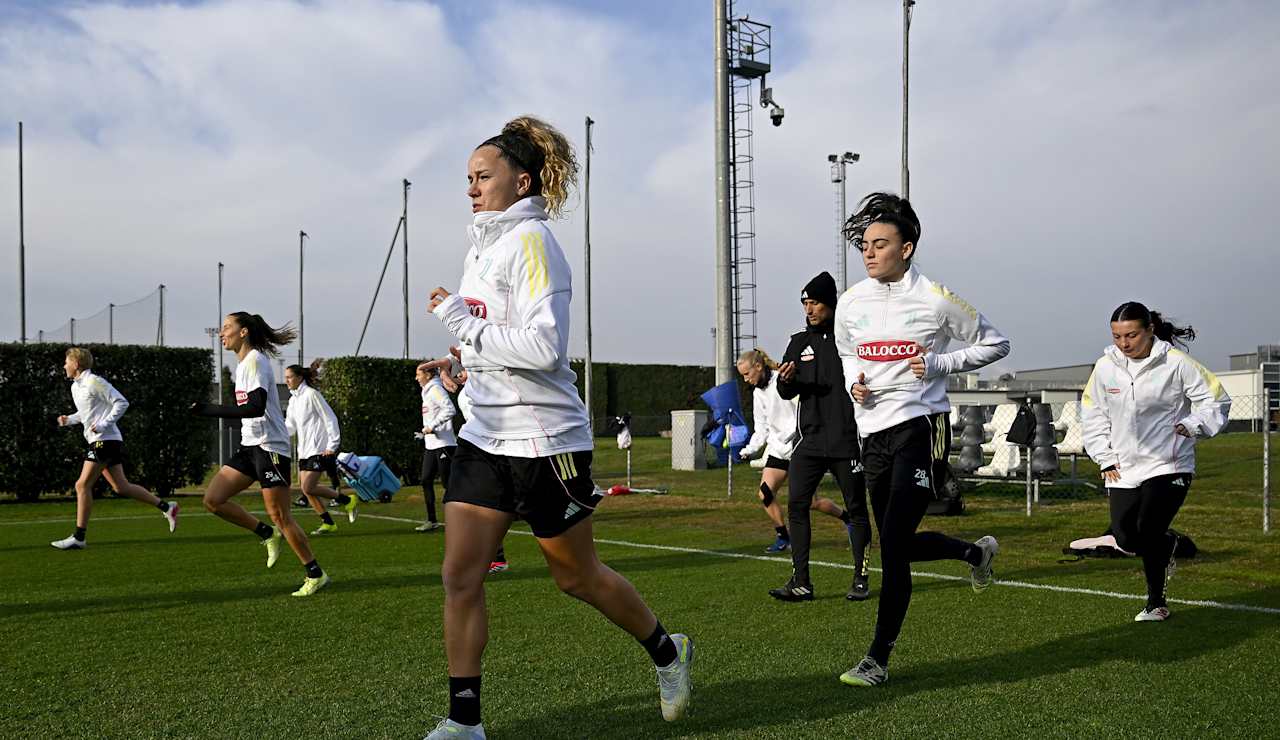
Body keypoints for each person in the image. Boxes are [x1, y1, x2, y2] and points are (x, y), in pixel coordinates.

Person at [422, 116, 691, 739]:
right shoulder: (481, 248)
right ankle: (465, 722)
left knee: (577, 577)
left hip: (546, 443)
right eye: (467, 178)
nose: (470, 188)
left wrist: (460, 322)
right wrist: (460, 361)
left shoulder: (534, 243)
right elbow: (496, 338)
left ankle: (667, 651)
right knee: (460, 575)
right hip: (483, 437)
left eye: (482, 177)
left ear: (522, 182)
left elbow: (544, 348)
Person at [835, 192, 1009, 686]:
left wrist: (939, 363)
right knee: (895, 543)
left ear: (906, 248)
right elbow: (848, 353)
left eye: (880, 244)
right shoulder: (852, 301)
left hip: (921, 425)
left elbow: (996, 343)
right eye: (865, 245)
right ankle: (975, 554)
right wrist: (855, 383)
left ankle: (877, 659)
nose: (869, 253)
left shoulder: (935, 297)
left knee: (891, 543)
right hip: (872, 433)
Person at [1081, 302, 1230, 622]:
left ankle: (1156, 603)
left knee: (1148, 528)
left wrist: (1193, 426)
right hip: (1122, 466)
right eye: (1117, 336)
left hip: (1169, 463)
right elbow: (1092, 415)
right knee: (1125, 538)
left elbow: (1216, 401)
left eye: (1131, 335)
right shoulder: (1105, 367)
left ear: (1149, 330)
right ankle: (1171, 542)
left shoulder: (1177, 364)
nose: (1124, 343)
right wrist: (1104, 457)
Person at [191, 313, 330, 597]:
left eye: (227, 327)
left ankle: (315, 573)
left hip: (271, 449)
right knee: (213, 500)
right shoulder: (244, 364)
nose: (221, 333)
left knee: (280, 515)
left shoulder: (255, 361)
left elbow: (254, 407)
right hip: (249, 445)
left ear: (243, 332)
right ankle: (266, 533)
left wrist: (208, 409)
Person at [769, 272, 873, 603]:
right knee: (797, 504)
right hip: (810, 441)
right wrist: (785, 380)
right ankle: (801, 581)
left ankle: (861, 576)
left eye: (814, 303)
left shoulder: (852, 339)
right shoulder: (798, 343)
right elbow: (786, 392)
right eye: (805, 304)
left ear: (830, 304)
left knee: (857, 509)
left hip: (847, 440)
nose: (809, 309)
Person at [50, 347, 179, 549]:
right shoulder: (76, 387)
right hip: (100, 440)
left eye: (66, 362)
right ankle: (167, 507)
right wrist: (70, 419)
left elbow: (121, 402)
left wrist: (104, 424)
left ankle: (79, 537)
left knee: (82, 485)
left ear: (76, 364)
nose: (64, 365)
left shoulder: (94, 381)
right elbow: (87, 413)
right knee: (121, 487)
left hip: (105, 440)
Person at [736, 348, 799, 553]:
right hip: (778, 448)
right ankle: (784, 538)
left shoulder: (783, 381)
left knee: (811, 502)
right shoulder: (757, 393)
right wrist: (749, 449)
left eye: (747, 374)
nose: (746, 379)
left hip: (798, 446)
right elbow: (761, 427)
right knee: (765, 493)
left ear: (758, 366)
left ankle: (847, 519)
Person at [284, 362, 357, 535]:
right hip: (304, 451)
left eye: (289, 377)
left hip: (319, 449)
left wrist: (332, 445)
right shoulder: (293, 400)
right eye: (285, 377)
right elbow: (290, 427)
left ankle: (348, 500)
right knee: (305, 489)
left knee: (308, 487)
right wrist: (274, 432)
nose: (286, 380)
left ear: (299, 378)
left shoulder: (312, 395)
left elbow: (330, 418)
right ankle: (328, 523)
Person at [415, 360, 457, 533]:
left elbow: (450, 409)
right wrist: (426, 432)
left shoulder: (436, 389)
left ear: (428, 374)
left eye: (418, 374)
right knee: (425, 480)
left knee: (449, 485)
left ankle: (457, 520)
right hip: (431, 445)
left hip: (445, 445)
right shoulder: (426, 392)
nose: (416, 378)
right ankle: (432, 520)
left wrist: (433, 426)